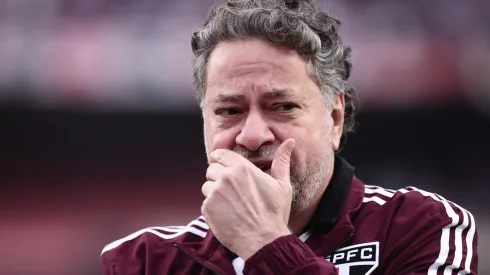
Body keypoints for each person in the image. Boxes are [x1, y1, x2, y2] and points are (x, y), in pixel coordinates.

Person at [100, 0, 478, 274]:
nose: (251, 135)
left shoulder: (421, 226)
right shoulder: (144, 260)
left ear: (334, 118)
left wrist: (265, 243)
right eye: (229, 111)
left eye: (281, 106)